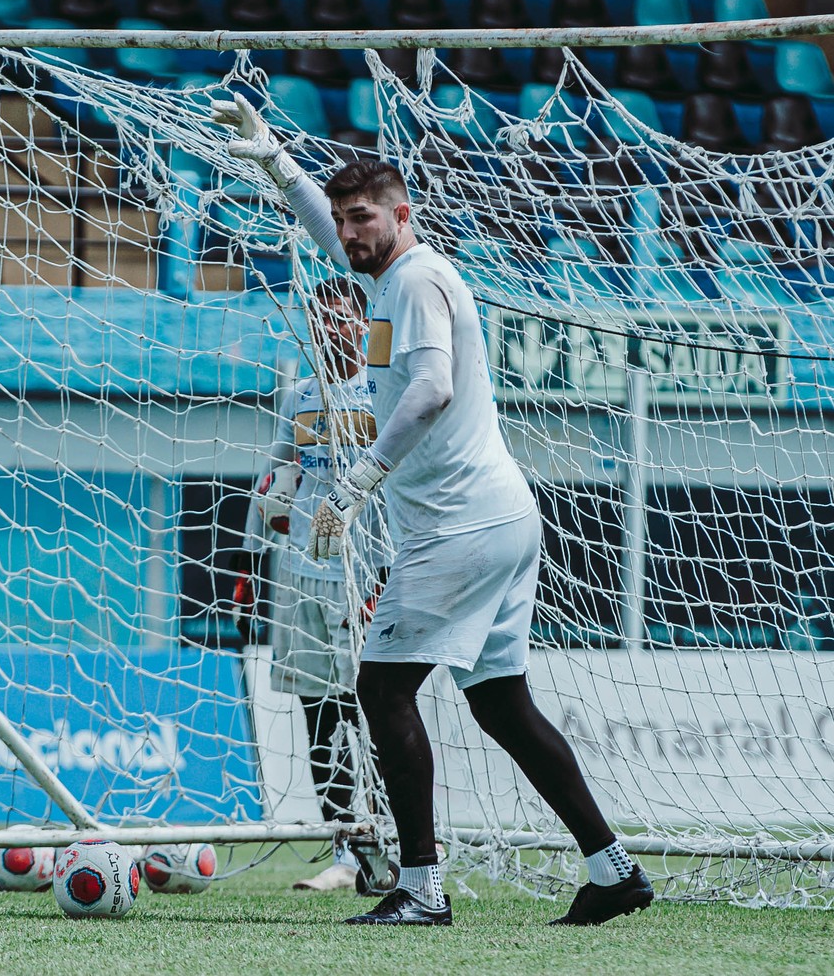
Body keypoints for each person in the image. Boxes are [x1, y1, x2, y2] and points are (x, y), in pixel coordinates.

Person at [213, 93, 655, 927]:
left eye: (363, 218)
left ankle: (419, 887)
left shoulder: (415, 279)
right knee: (501, 703)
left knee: (381, 689)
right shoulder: (389, 274)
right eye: (344, 220)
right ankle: (613, 869)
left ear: (402, 214)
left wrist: (360, 477)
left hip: (461, 526)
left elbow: (432, 389)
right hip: (497, 518)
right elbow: (317, 218)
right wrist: (273, 157)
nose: (348, 233)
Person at [230, 279, 392, 892]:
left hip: (361, 577)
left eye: (340, 317)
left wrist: (386, 574)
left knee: (374, 711)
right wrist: (251, 556)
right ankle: (347, 850)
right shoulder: (298, 396)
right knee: (317, 717)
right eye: (319, 318)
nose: (329, 328)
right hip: (299, 575)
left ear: (362, 322)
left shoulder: (380, 394)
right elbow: (277, 475)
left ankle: (394, 839)